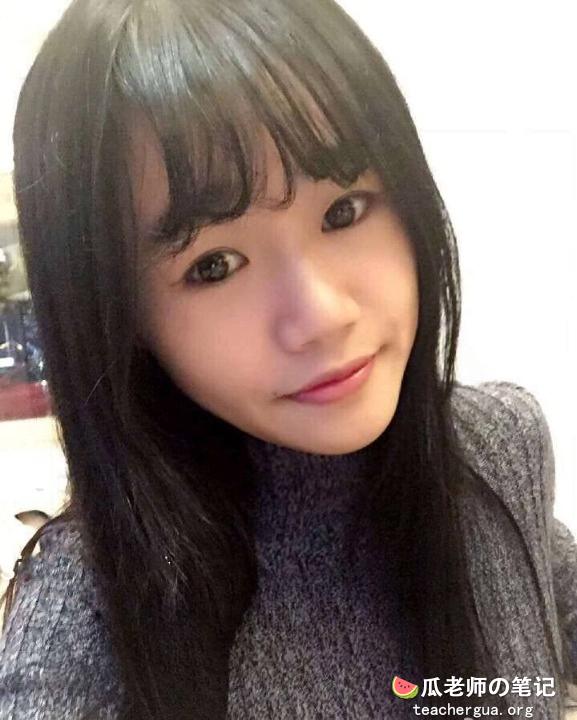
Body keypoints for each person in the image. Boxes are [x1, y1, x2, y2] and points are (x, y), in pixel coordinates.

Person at [0, 0, 576, 718]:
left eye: (343, 211)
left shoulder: (493, 449)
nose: (322, 316)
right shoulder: (90, 607)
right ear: (120, 319)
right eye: (214, 265)